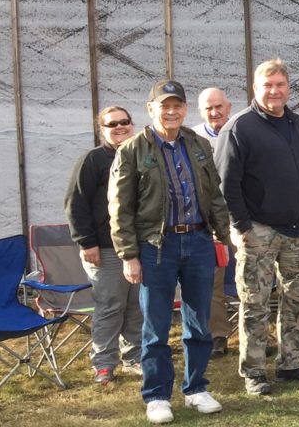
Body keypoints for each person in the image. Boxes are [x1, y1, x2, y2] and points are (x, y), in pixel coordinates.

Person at [109, 80, 230, 422]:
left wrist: (224, 235)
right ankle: (157, 395)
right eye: (165, 106)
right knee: (156, 325)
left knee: (199, 321)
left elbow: (214, 194)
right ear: (151, 109)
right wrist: (128, 255)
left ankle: (196, 388)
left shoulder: (198, 144)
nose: (172, 112)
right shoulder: (132, 150)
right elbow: (119, 209)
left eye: (177, 105)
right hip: (155, 247)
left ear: (185, 109)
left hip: (198, 241)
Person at [215, 58, 299, 395]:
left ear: (289, 88)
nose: (274, 91)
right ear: (255, 88)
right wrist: (241, 226)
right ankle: (254, 371)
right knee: (255, 303)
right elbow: (226, 184)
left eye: (280, 85)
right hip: (258, 230)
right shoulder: (239, 129)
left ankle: (291, 364)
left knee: (297, 300)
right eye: (267, 85)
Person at [65, 106, 140, 384]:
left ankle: (134, 358)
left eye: (124, 122)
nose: (119, 127)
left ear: (132, 125)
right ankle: (104, 364)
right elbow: (75, 204)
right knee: (110, 306)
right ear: (102, 130)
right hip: (105, 249)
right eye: (112, 124)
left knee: (137, 306)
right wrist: (86, 242)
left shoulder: (142, 155)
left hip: (139, 246)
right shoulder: (93, 160)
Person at [194, 88, 236, 356]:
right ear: (201, 112)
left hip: (243, 219)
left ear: (228, 107)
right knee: (212, 280)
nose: (214, 112)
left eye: (219, 106)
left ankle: (257, 335)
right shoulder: (192, 139)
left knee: (253, 279)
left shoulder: (242, 131)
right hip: (210, 223)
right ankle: (218, 335)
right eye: (208, 108)